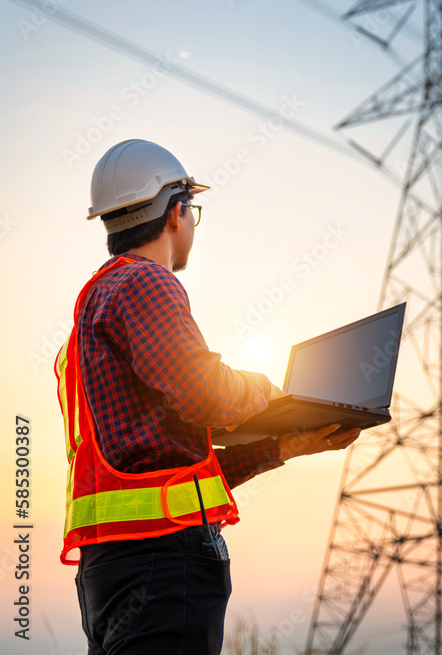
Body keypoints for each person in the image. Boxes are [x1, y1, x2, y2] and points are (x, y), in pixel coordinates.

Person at [55, 138, 360, 655]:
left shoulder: (84, 326)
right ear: (176, 213)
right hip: (160, 567)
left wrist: (288, 445)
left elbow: (170, 479)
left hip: (115, 568)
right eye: (192, 210)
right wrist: (266, 392)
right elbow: (205, 396)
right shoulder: (144, 282)